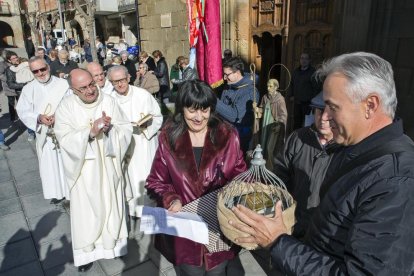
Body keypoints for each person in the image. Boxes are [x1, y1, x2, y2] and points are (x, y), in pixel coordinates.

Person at [229, 52, 414, 275]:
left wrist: (278, 243)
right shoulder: (354, 148)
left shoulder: (396, 180)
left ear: (370, 105)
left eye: (332, 107)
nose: (324, 117)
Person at [146, 79, 247, 276]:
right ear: (182, 109)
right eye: (192, 110)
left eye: (205, 110)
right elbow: (155, 181)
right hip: (186, 234)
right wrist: (170, 198)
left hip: (219, 229)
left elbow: (240, 174)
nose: (199, 117)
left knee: (218, 272)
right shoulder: (169, 137)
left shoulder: (228, 136)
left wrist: (234, 192)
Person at [54, 69, 132, 272]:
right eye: (83, 88)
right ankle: (86, 253)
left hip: (108, 165)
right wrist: (90, 132)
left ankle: (113, 246)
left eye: (92, 84)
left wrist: (111, 129)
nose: (90, 90)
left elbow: (126, 129)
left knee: (111, 204)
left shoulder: (108, 101)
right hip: (84, 170)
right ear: (73, 90)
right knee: (87, 212)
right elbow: (64, 138)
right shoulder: (66, 107)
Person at [272, 91, 339, 239]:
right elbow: (281, 170)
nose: (322, 119)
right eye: (319, 112)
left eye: (329, 115)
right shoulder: (298, 137)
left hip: (325, 229)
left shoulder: (345, 148)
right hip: (292, 219)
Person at [108, 65, 162, 217]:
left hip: (143, 143)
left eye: (122, 80)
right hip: (123, 146)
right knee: (128, 178)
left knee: (145, 176)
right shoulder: (108, 99)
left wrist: (146, 126)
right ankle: (134, 210)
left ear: (129, 78)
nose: (120, 84)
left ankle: (150, 210)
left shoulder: (143, 95)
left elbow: (158, 117)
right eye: (115, 81)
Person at [16, 56, 69, 204]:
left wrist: (59, 116)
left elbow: (72, 103)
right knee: (50, 165)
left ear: (48, 67)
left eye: (42, 69)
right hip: (44, 134)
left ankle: (71, 191)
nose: (40, 73)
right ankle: (56, 192)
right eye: (35, 71)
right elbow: (22, 110)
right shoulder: (28, 89)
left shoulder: (63, 84)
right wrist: (39, 118)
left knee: (67, 162)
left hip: (64, 130)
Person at [216, 57, 259, 154]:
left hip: (240, 136)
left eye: (227, 74)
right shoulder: (230, 84)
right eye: (224, 74)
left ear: (238, 72)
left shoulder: (249, 91)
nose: (224, 78)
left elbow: (235, 116)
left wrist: (215, 102)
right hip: (224, 133)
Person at [254, 79, 287, 170]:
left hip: (273, 126)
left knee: (271, 148)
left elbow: (283, 115)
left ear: (276, 87)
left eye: (271, 86)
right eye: (267, 86)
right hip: (265, 125)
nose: (268, 88)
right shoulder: (265, 97)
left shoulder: (280, 100)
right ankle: (262, 167)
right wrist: (256, 109)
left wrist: (279, 125)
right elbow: (261, 109)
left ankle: (271, 168)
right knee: (263, 144)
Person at [288, 52, 319, 130]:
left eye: (306, 58)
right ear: (300, 60)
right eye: (302, 58)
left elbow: (316, 88)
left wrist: (313, 101)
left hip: (308, 104)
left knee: (307, 124)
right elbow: (291, 83)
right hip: (297, 102)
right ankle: (295, 139)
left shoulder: (313, 72)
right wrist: (291, 95)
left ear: (309, 60)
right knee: (297, 122)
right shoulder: (295, 72)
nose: (303, 60)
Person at [5, 51, 27, 123]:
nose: (16, 59)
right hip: (20, 92)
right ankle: (30, 130)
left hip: (31, 90)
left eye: (16, 57)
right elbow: (10, 84)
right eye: (13, 59)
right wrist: (24, 85)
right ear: (9, 60)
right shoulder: (9, 70)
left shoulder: (23, 64)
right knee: (25, 110)